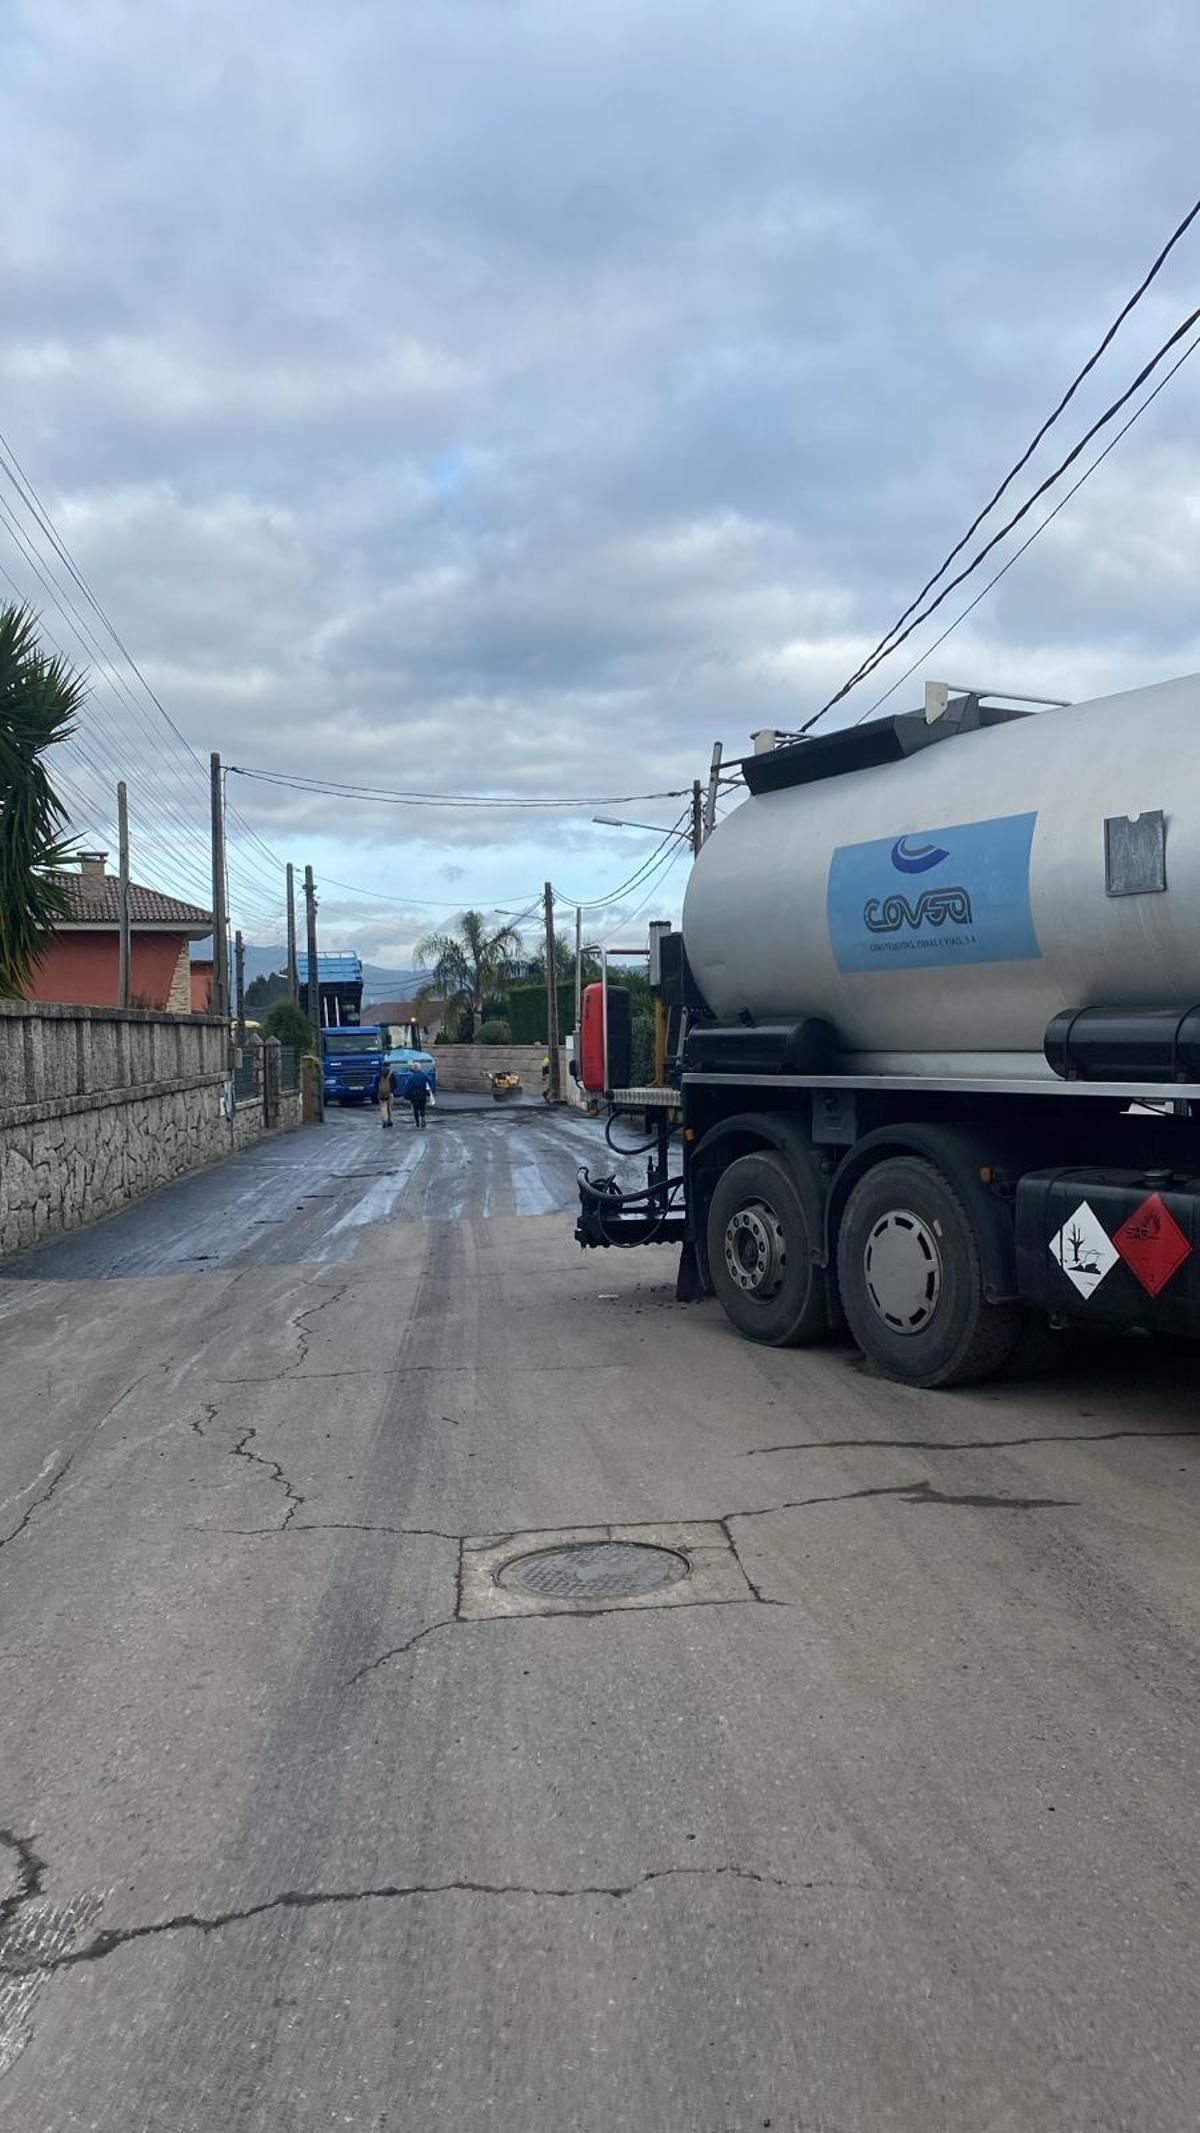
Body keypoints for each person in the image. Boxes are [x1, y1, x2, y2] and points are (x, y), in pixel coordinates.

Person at [405, 1062, 431, 1129]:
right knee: (422, 1107)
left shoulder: (411, 1077)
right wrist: (429, 1093)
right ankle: (422, 1117)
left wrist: (406, 1096)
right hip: (423, 1093)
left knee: (415, 1109)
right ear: (420, 1068)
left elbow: (408, 1087)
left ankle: (417, 1123)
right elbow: (429, 1081)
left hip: (414, 1095)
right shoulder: (424, 1075)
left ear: (413, 1068)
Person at [378, 1061, 394, 1128]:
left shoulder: (379, 1073)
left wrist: (378, 1091)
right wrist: (392, 1091)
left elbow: (376, 1083)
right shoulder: (391, 1074)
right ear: (389, 1066)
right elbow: (395, 1084)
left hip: (381, 1093)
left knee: (383, 1107)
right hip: (390, 1093)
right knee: (389, 1107)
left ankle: (385, 1120)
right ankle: (389, 1120)